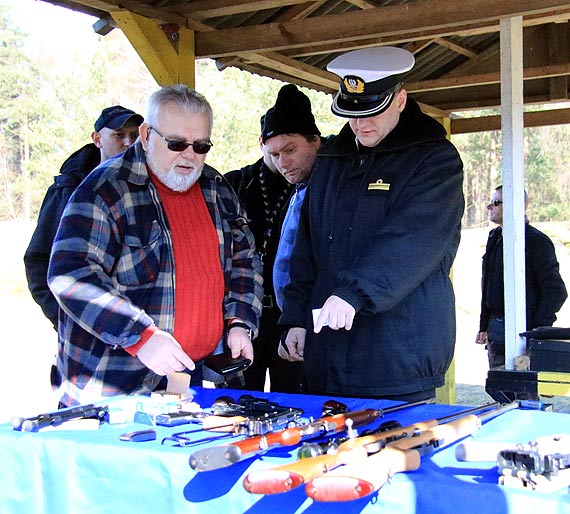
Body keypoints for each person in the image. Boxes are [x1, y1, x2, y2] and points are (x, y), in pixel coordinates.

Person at [47, 85, 263, 406]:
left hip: (192, 380)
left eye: (201, 146)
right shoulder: (106, 188)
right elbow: (71, 275)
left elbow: (245, 260)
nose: (189, 155)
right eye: (176, 143)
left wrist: (239, 322)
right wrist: (139, 336)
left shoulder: (216, 188)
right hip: (115, 384)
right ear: (146, 135)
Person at [278, 46, 465, 402]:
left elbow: (411, 241)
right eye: (352, 114)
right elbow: (307, 247)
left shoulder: (434, 160)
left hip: (397, 360)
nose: (361, 124)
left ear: (400, 99)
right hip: (327, 359)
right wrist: (296, 317)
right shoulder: (332, 160)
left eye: (371, 112)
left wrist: (353, 293)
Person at [225, 84, 321, 392]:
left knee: (293, 403)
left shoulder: (317, 186)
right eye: (274, 152)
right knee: (237, 403)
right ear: (262, 144)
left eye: (290, 151)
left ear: (313, 142)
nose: (282, 161)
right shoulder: (235, 184)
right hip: (243, 316)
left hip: (290, 317)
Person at [24, 105, 144, 330]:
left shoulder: (149, 189)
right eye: (119, 135)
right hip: (82, 327)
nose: (129, 142)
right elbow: (38, 260)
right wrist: (64, 318)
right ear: (97, 139)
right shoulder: (69, 190)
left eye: (134, 135)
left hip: (139, 330)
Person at [475, 185, 567, 368]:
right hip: (496, 328)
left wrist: (538, 330)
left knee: (524, 390)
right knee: (501, 390)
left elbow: (555, 291)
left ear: (513, 205)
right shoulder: (494, 237)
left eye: (495, 202)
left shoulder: (537, 241)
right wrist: (484, 325)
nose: (489, 207)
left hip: (525, 329)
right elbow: (488, 284)